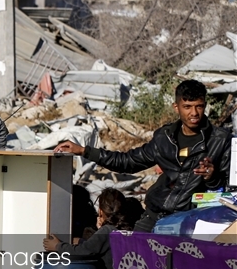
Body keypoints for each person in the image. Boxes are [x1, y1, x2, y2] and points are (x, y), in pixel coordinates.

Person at [55, 80, 231, 232]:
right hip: (155, 215)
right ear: (176, 107)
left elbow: (229, 189)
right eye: (187, 107)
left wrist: (211, 176)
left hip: (192, 219)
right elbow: (128, 162)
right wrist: (85, 151)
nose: (194, 113)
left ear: (205, 105)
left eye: (199, 106)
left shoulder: (220, 140)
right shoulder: (164, 137)